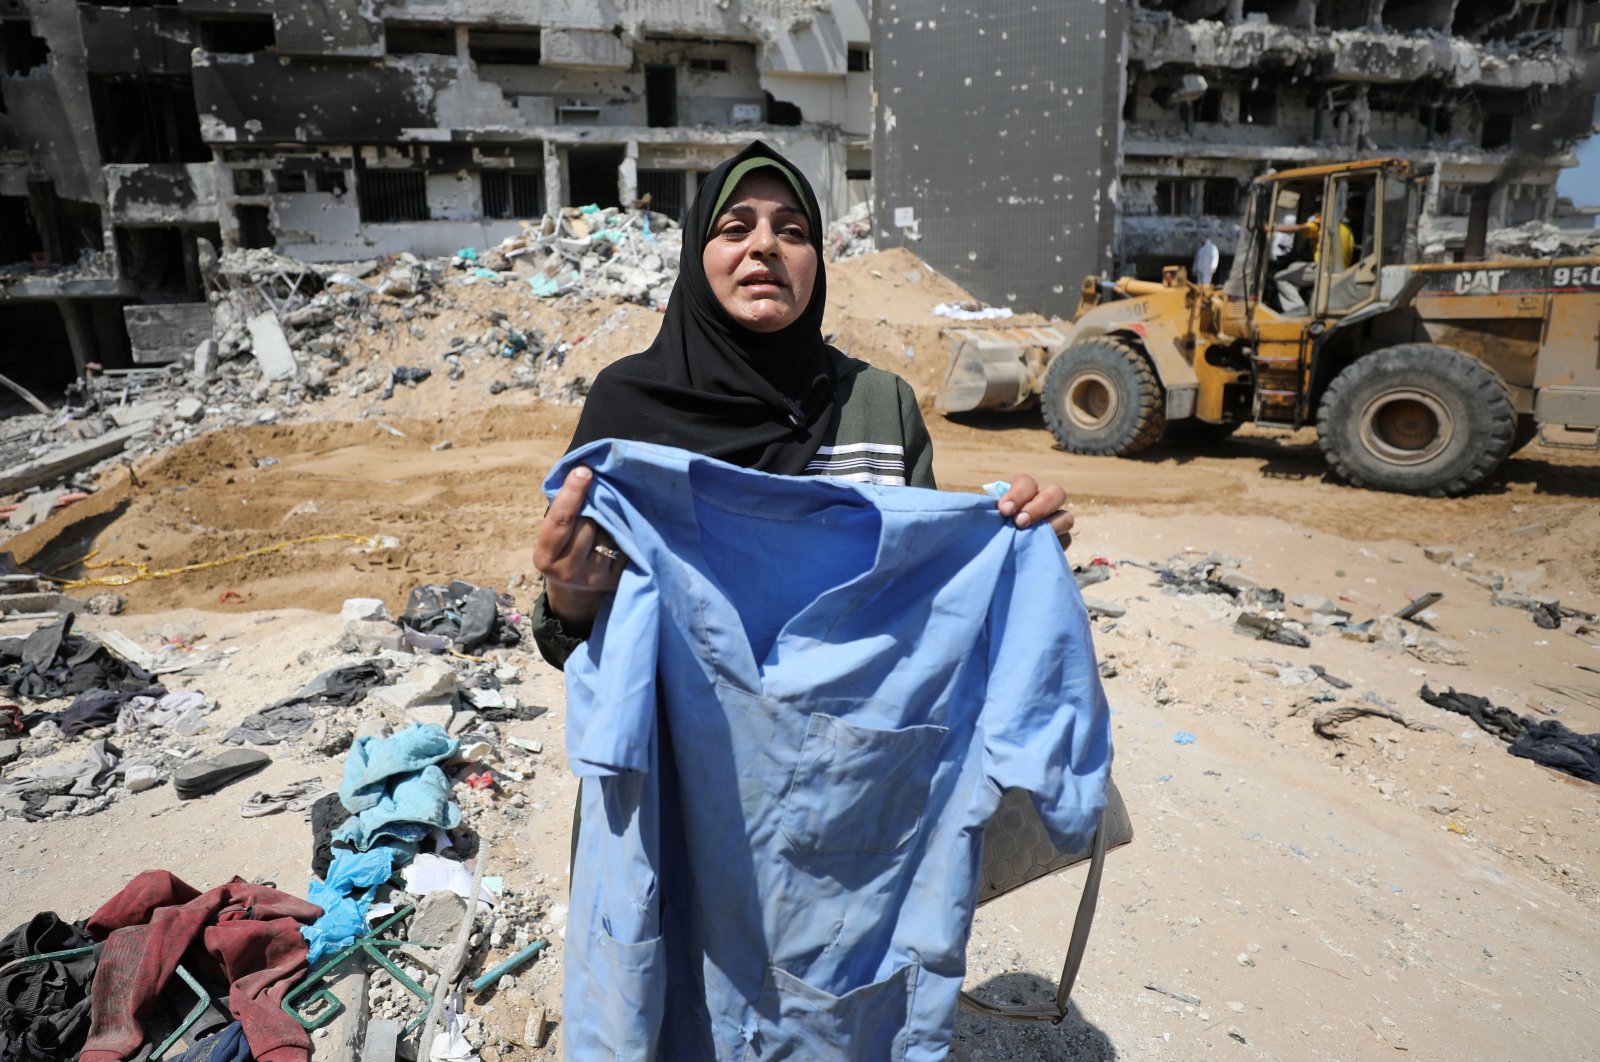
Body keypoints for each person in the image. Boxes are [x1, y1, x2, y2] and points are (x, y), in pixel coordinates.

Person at [531, 140, 1073, 663]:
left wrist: (1010, 556)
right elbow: (572, 649)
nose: (765, 245)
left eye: (792, 231)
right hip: (683, 748)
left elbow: (926, 605)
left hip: (849, 744)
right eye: (735, 228)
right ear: (696, 258)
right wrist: (570, 596)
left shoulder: (880, 403)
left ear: (817, 262)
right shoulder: (628, 408)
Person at [1269, 207, 1355, 314]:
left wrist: (1270, 228)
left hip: (1322, 270)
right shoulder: (1346, 229)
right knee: (1294, 267)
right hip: (1341, 272)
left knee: (1280, 277)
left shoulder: (1322, 224)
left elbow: (1299, 228)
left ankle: (1296, 310)